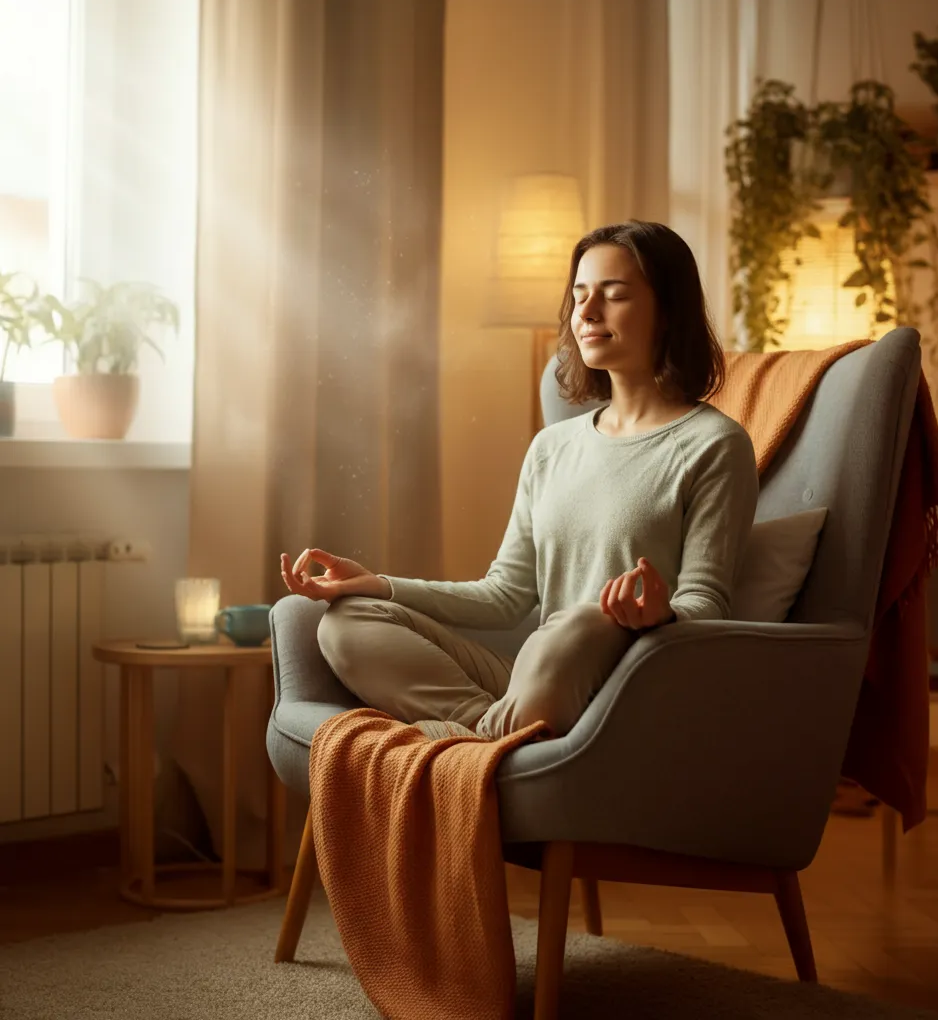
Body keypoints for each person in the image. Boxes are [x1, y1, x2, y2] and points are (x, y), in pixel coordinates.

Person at [281, 220, 759, 740]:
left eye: (613, 295)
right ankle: (491, 737)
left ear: (667, 311)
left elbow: (707, 603)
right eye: (579, 296)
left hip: (617, 682)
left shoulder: (715, 444)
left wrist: (658, 614)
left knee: (586, 622)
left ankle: (473, 744)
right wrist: (377, 584)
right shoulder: (551, 447)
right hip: (534, 682)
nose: (587, 313)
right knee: (347, 623)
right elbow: (504, 594)